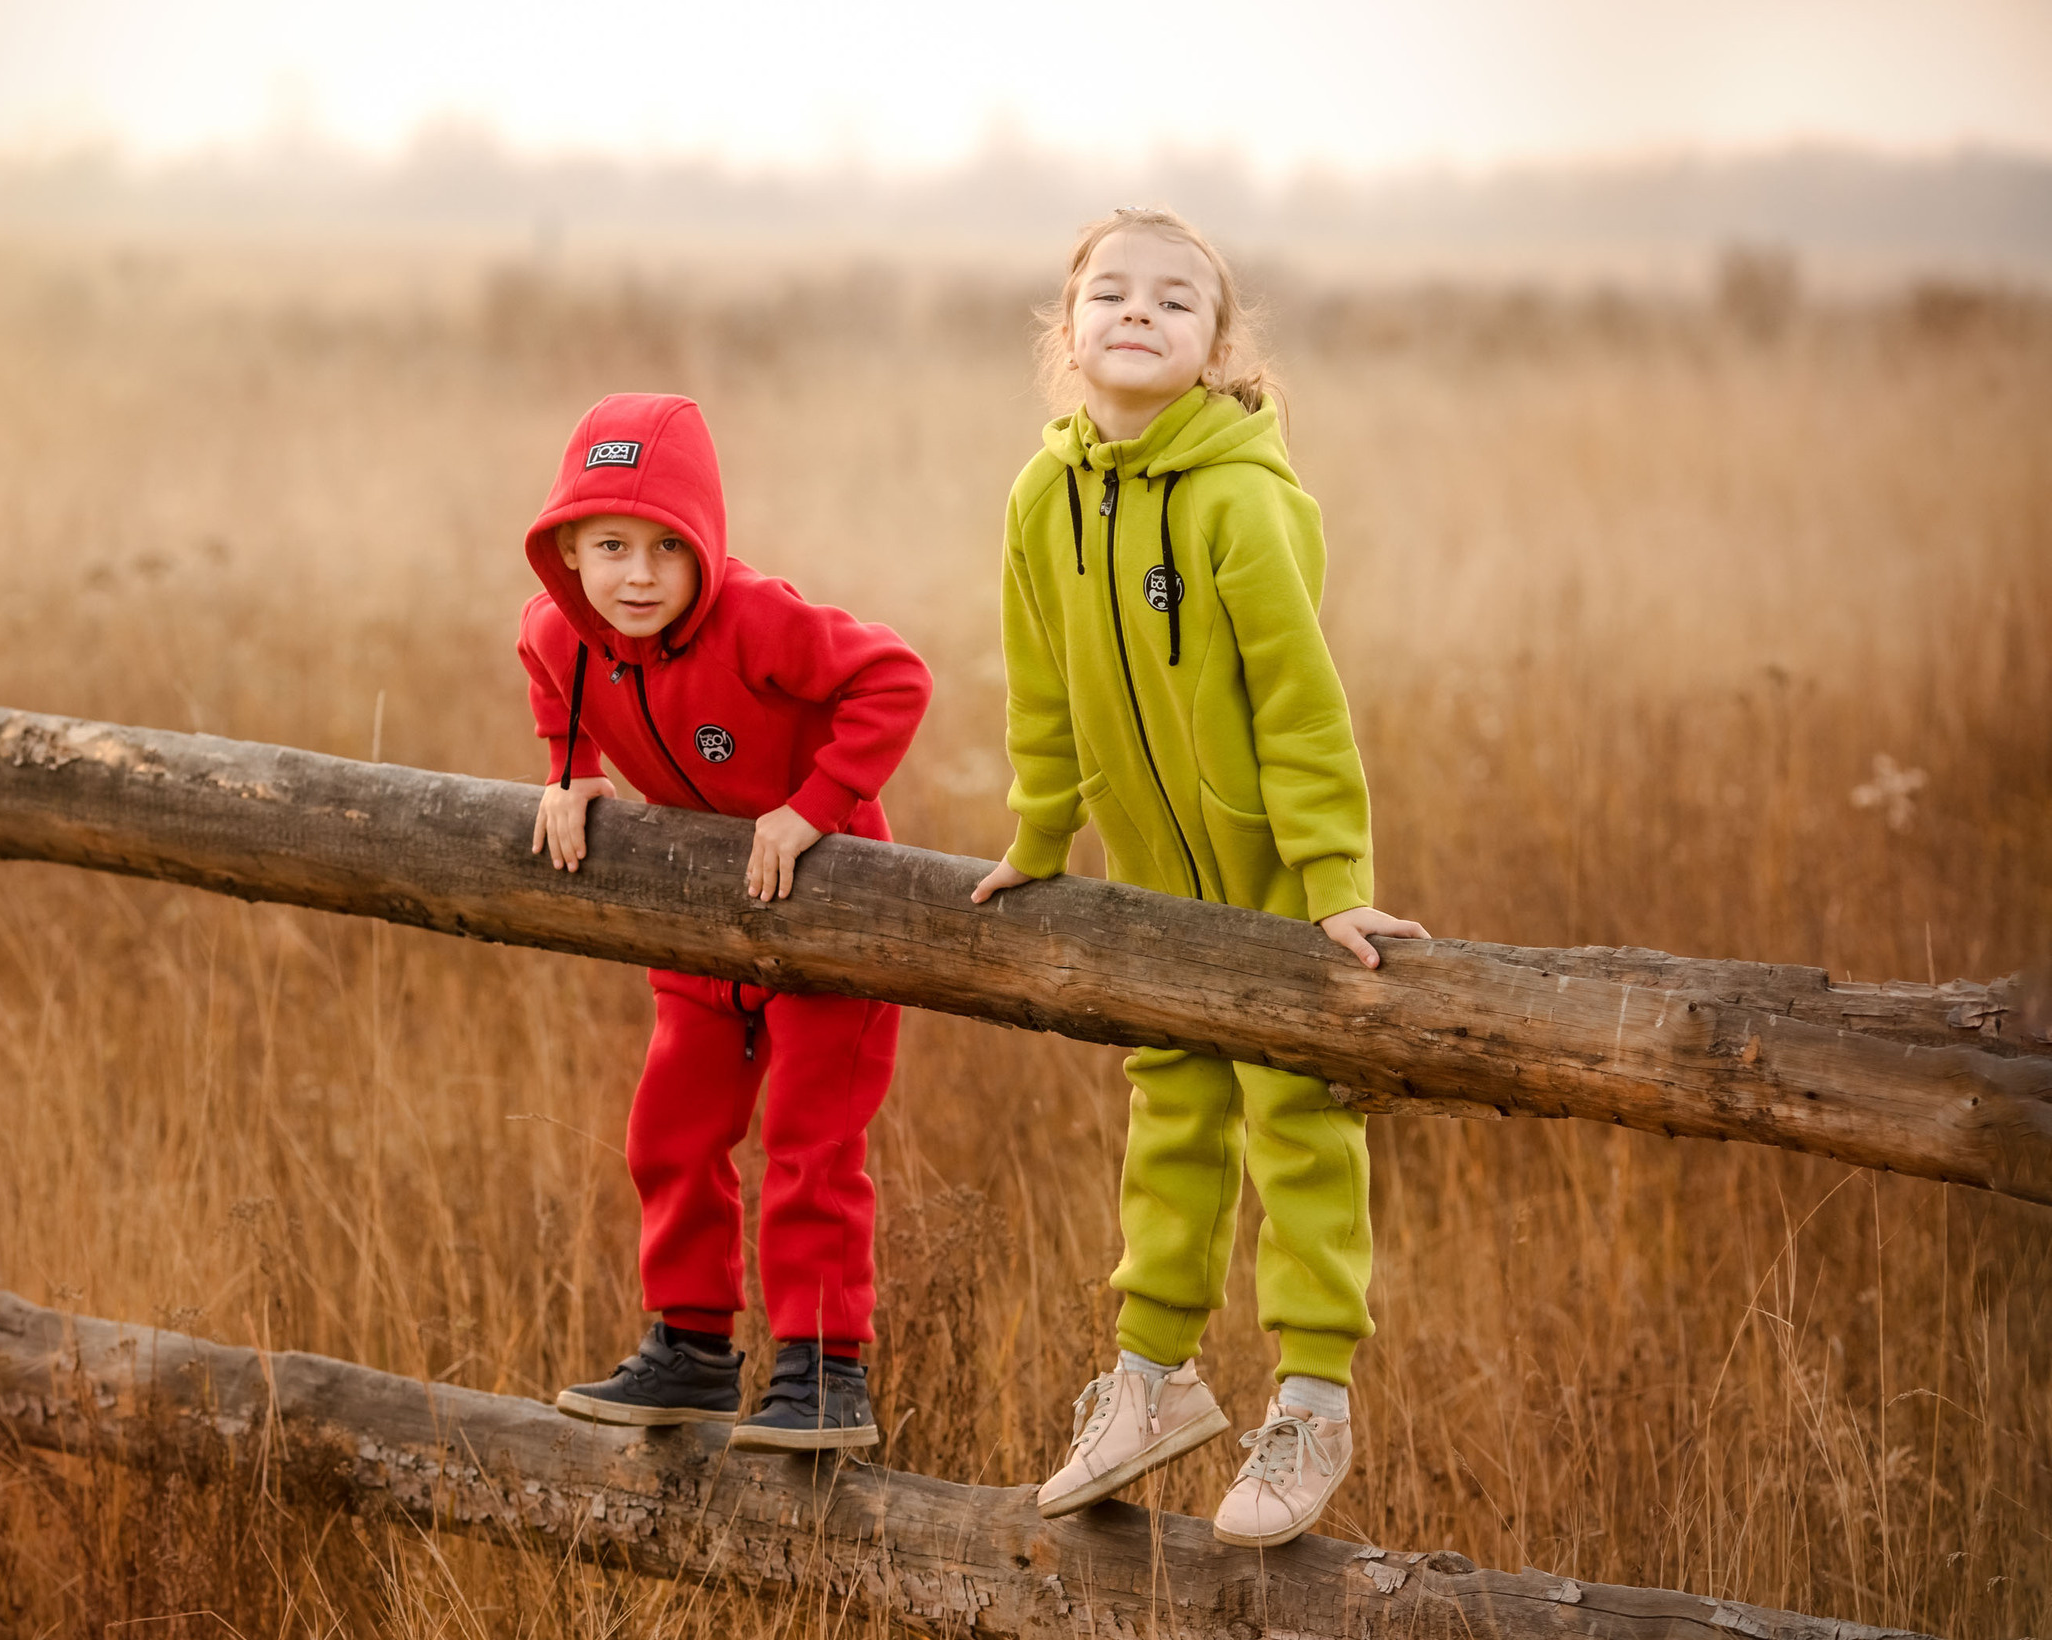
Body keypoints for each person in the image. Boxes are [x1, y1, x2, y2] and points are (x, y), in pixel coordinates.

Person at [969, 208, 1429, 1543]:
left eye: (1176, 301)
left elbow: (1300, 698)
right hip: (1150, 881)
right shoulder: (1041, 496)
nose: (1138, 311)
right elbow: (1040, 686)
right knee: (1169, 1106)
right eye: (1109, 292)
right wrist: (1039, 838)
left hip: (1272, 881)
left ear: (1220, 349)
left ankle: (1313, 1400)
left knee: (1297, 1115)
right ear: (1066, 333)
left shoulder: (1244, 498)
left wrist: (1332, 875)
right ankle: (1153, 1379)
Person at [520, 392, 932, 1451]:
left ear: (706, 543)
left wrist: (814, 805)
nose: (639, 576)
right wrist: (570, 769)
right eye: (611, 547)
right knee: (670, 1131)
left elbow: (893, 677)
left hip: (828, 913)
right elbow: (543, 667)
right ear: (567, 550)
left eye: (669, 546)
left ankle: (823, 1374)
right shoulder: (562, 634)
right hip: (699, 921)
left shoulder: (756, 619)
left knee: (810, 1145)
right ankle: (692, 1350)